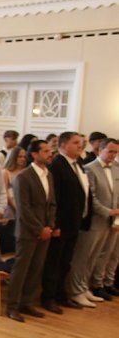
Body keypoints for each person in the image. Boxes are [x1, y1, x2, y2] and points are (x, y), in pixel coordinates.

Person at [6, 140, 56, 322]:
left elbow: (52, 204)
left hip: (45, 230)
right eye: (45, 151)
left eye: (50, 151)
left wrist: (50, 226)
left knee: (36, 268)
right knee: (21, 269)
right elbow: (24, 209)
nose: (50, 154)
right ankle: (12, 306)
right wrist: (39, 228)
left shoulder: (48, 175)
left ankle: (26, 302)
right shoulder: (24, 177)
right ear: (34, 154)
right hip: (28, 231)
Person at [67, 138, 119, 307]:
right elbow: (91, 197)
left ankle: (84, 287)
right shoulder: (90, 168)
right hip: (94, 220)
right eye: (110, 151)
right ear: (100, 150)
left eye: (116, 152)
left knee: (95, 256)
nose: (113, 155)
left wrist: (115, 214)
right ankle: (76, 290)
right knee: (84, 256)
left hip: (109, 221)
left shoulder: (116, 169)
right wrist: (108, 211)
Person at [41, 132, 90, 312]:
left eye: (81, 143)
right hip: (61, 225)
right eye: (75, 142)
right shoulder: (57, 165)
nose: (80, 145)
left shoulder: (77, 164)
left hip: (74, 222)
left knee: (65, 262)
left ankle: (61, 294)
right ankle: (48, 297)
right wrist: (55, 225)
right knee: (54, 262)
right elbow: (56, 198)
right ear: (63, 145)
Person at [2, 146, 28, 218]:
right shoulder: (6, 172)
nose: (23, 159)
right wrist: (17, 208)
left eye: (24, 157)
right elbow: (5, 192)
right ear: (13, 157)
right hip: (10, 207)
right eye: (20, 157)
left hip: (25, 206)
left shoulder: (26, 172)